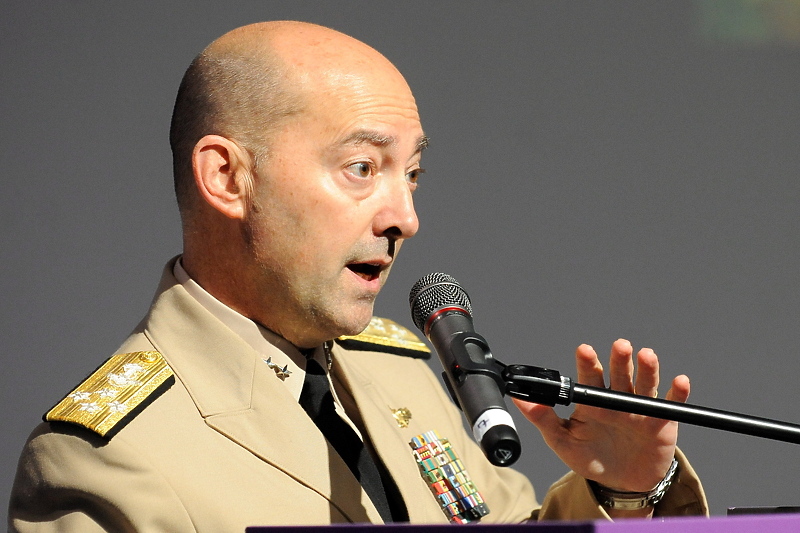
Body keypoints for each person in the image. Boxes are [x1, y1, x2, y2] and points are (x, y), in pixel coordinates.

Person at [8, 21, 707, 531]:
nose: (405, 214)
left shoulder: (401, 371)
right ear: (227, 176)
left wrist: (620, 491)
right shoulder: (109, 457)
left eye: (413, 175)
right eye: (362, 168)